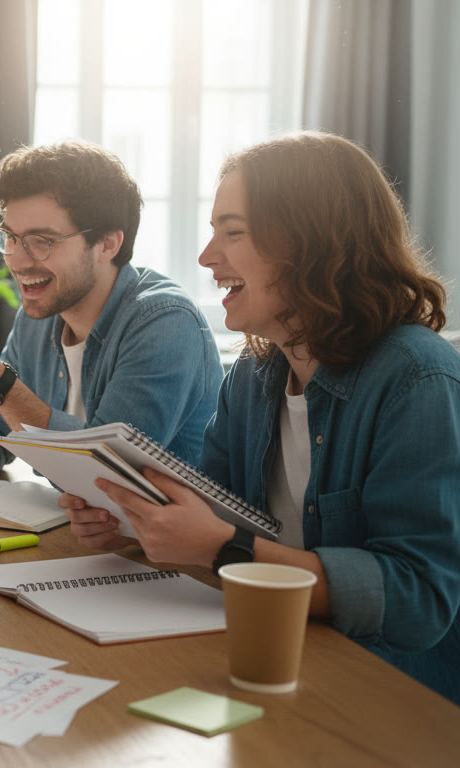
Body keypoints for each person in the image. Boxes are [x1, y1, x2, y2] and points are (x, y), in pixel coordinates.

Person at [65, 131, 460, 704]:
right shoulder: (255, 376)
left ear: (310, 243)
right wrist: (134, 526)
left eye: (232, 233)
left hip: (385, 697)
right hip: (270, 661)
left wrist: (225, 549)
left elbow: (418, 599)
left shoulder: (416, 379)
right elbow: (216, 517)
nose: (206, 258)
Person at [0, 140, 223, 479]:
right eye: (9, 237)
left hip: (160, 535)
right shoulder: (41, 312)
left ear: (107, 244)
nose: (17, 260)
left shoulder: (165, 322)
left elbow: (107, 469)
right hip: (80, 527)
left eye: (42, 241)